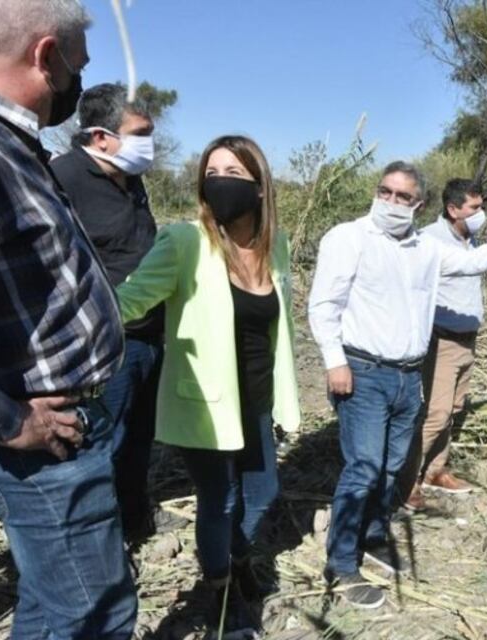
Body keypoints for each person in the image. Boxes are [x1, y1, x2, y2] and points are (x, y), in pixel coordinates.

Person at [0, 1, 137, 637]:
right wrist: (7, 420)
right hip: (36, 443)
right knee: (95, 615)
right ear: (45, 56)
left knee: (51, 601)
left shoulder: (3, 141)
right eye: (76, 66)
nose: (77, 84)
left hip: (59, 431)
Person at [308, 161, 487, 609]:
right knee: (363, 468)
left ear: (418, 204)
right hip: (363, 372)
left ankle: (374, 535)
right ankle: (342, 563)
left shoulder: (426, 248)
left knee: (391, 466)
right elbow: (324, 305)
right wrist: (334, 362)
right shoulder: (348, 238)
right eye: (385, 192)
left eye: (402, 196)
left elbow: (475, 261)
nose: (391, 202)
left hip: (408, 376)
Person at [116, 135, 301, 634]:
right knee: (220, 500)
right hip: (205, 403)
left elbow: (280, 326)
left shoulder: (276, 246)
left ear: (260, 187)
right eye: (211, 174)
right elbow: (132, 299)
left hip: (257, 399)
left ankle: (236, 557)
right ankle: (220, 592)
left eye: (233, 174)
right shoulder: (186, 242)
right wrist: (80, 311)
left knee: (263, 493)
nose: (220, 183)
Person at [51, 83, 163, 546]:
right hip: (103, 344)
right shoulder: (61, 178)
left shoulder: (131, 180)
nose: (150, 142)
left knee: (139, 437)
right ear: (101, 137)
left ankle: (134, 517)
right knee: (104, 442)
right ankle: (101, 540)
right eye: (141, 132)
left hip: (150, 335)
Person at [399, 179, 487, 511]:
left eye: (481, 206)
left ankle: (435, 471)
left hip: (467, 341)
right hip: (442, 341)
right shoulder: (430, 241)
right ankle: (405, 483)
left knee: (453, 409)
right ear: (453, 209)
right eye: (474, 208)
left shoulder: (470, 239)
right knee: (436, 414)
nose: (481, 213)